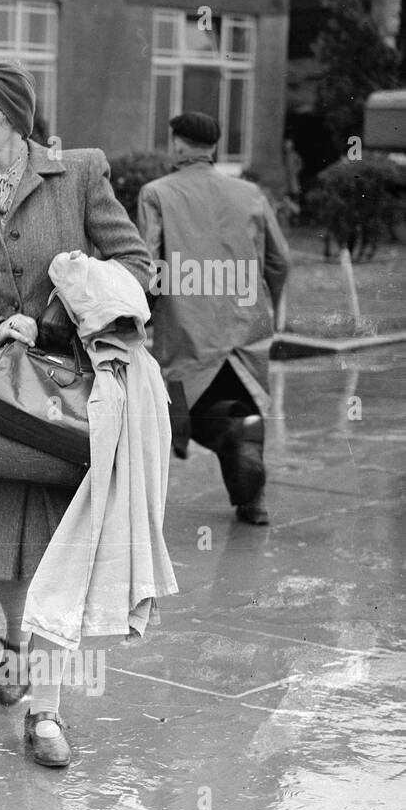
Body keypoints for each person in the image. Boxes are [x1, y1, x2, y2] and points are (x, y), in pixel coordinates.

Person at [0, 57, 152, 767]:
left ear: (16, 114)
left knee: (61, 548)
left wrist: (54, 317)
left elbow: (136, 267)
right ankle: (15, 636)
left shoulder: (75, 175)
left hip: (69, 392)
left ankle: (45, 713)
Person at [136, 112, 289, 525]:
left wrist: (141, 317)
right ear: (214, 148)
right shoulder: (251, 194)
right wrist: (266, 306)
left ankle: (231, 437)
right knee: (245, 406)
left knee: (189, 413)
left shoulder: (156, 194)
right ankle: (252, 502)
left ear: (179, 146)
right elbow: (280, 261)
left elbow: (148, 266)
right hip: (247, 329)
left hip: (189, 329)